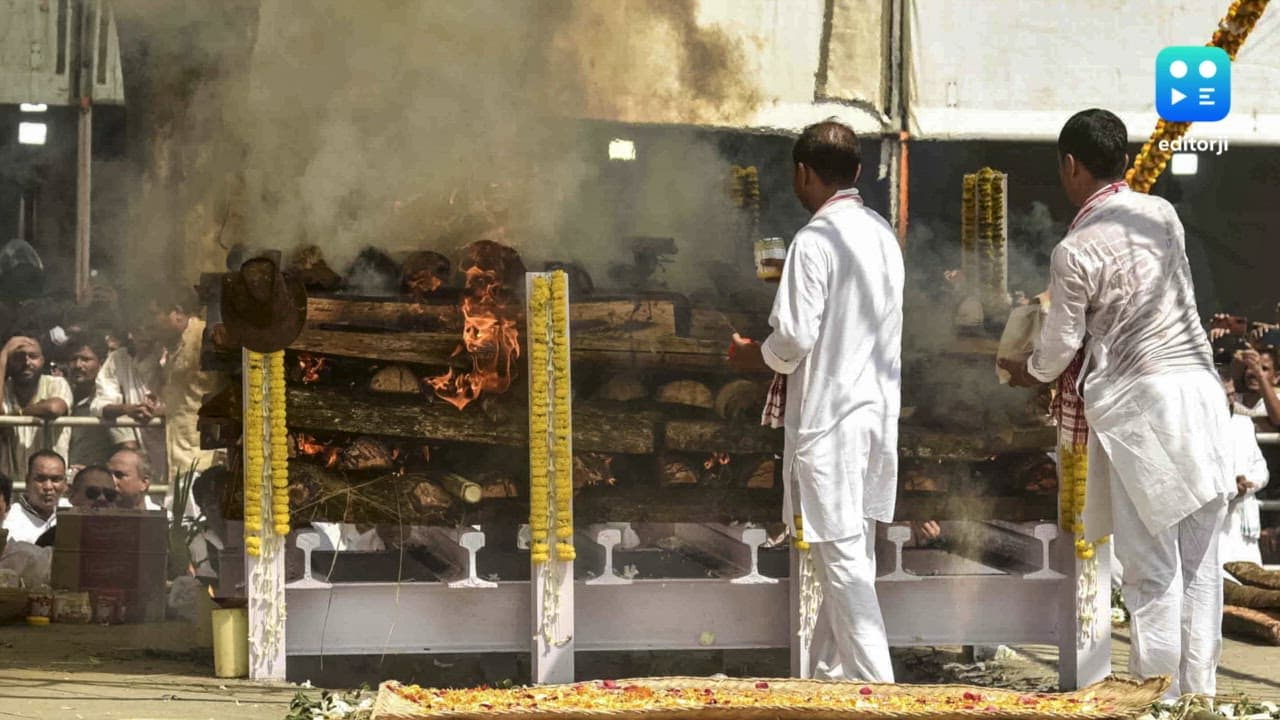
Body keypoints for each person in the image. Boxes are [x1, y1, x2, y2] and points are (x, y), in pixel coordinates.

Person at [1001, 109, 1232, 698]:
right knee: (1202, 567)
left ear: (1070, 165)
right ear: (1124, 162)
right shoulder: (1162, 215)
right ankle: (1196, 700)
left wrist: (1025, 373)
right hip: (1202, 397)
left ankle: (1158, 702)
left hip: (1143, 406)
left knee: (1153, 571)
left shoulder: (1075, 248)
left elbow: (1058, 349)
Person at [729, 121, 903, 682]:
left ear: (803, 174)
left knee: (843, 557)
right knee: (849, 554)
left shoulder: (814, 240)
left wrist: (750, 356)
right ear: (855, 171)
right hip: (875, 416)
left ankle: (879, 689)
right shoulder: (880, 233)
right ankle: (831, 678)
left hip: (832, 421)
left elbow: (794, 342)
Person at [0, 336, 72, 479]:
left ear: (43, 360)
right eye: (18, 357)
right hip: (11, 485)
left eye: (33, 356)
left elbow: (54, 408)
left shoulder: (56, 383)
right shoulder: (4, 388)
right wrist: (3, 357)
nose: (26, 362)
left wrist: (14, 417)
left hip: (49, 484)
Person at [1218, 372, 1270, 566]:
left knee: (1251, 579)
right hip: (1217, 517)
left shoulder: (1244, 423)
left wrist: (1248, 484)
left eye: (1232, 393)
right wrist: (1230, 486)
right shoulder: (1201, 429)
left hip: (1245, 517)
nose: (1231, 399)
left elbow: (1261, 468)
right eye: (1225, 394)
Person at [63, 332, 116, 471]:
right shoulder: (64, 397)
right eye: (73, 359)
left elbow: (126, 446)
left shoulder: (110, 401)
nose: (78, 365)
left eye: (85, 359)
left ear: (102, 361)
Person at [1, 450, 67, 543]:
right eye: (40, 479)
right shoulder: (7, 519)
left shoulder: (74, 513)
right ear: (27, 481)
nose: (48, 487)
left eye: (55, 479)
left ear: (65, 483)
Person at [107, 447, 163, 512]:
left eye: (119, 475)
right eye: (108, 475)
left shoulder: (166, 520)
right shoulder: (97, 518)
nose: (112, 481)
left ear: (144, 483)